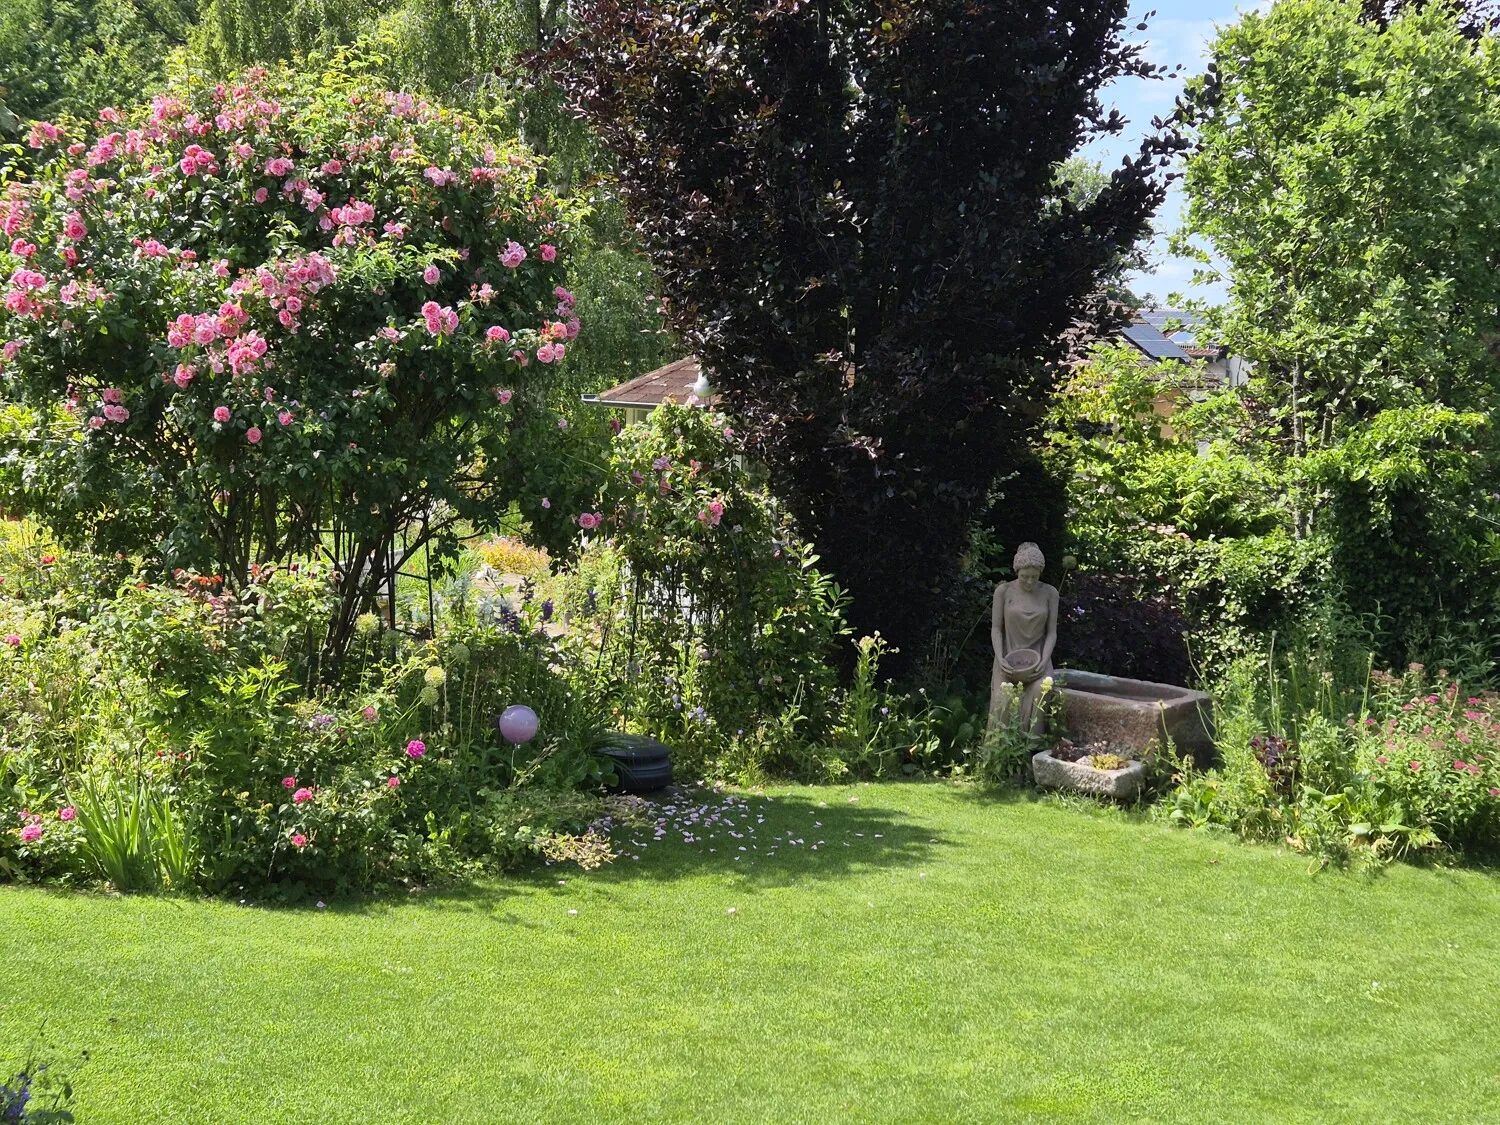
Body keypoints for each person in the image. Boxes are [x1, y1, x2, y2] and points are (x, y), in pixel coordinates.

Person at [988, 542, 1058, 734]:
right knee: (1004, 695)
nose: (1029, 582)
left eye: (1034, 577)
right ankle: (1001, 749)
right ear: (1017, 572)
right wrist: (1000, 658)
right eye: (1024, 577)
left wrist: (1044, 661)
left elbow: (1051, 633)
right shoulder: (1003, 592)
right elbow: (996, 629)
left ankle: (1031, 746)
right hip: (1007, 658)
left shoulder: (1050, 593)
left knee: (1041, 689)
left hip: (1039, 659)